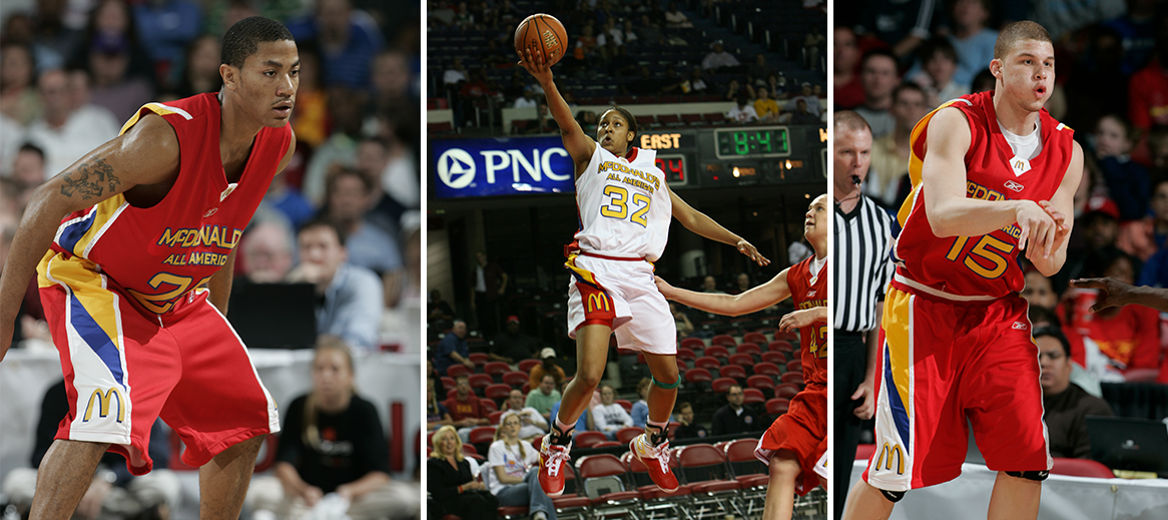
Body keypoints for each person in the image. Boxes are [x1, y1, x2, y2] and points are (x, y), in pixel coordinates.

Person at [0, 17, 298, 519]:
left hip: (173, 296)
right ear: (229, 76)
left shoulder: (278, 144)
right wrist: (5, 314)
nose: (286, 86)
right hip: (96, 280)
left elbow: (223, 231)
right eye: (270, 72)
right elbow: (47, 197)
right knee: (101, 417)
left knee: (243, 421)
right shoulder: (165, 138)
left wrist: (216, 324)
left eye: (294, 71)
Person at [843, 21, 1085, 520]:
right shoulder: (956, 121)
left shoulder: (1067, 151)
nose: (1041, 74)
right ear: (997, 68)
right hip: (924, 305)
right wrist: (1017, 208)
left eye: (1048, 64)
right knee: (895, 473)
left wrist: (1052, 238)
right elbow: (942, 215)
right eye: (1027, 62)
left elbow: (1050, 263)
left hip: (996, 314)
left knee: (1027, 459)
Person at [519, 42, 770, 496]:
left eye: (615, 124)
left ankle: (653, 442)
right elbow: (567, 123)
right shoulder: (590, 158)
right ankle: (556, 442)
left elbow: (690, 217)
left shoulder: (653, 173)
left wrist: (735, 238)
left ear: (632, 135)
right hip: (595, 269)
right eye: (603, 124)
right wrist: (548, 82)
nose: (606, 129)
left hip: (639, 273)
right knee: (590, 374)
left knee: (669, 375)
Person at [657, 194, 829, 520]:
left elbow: (864, 314)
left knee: (830, 475)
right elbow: (735, 305)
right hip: (814, 391)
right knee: (782, 462)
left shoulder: (847, 265)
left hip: (842, 385)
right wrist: (672, 292)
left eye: (819, 208)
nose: (810, 212)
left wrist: (819, 313)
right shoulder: (796, 274)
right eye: (808, 208)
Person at [249, 338, 418, 519]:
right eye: (319, 369)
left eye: (334, 369)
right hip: (307, 498)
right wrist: (304, 490)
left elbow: (380, 474)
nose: (326, 376)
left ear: (350, 375)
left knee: (406, 498)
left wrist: (349, 492)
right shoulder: (299, 406)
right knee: (257, 492)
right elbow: (284, 465)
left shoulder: (365, 410)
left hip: (352, 499)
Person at [832, 111, 891, 519]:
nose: (858, 163)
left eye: (865, 153)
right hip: (816, 343)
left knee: (841, 466)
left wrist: (872, 380)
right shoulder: (815, 214)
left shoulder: (882, 224)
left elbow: (882, 308)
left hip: (854, 350)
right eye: (847, 152)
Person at [288, 218, 384, 351]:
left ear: (342, 253)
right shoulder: (295, 282)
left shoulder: (363, 283)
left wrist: (308, 341)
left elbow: (359, 341)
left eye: (323, 246)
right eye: (306, 247)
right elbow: (276, 338)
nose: (314, 255)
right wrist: (290, 289)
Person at [1035, 326, 1114, 459]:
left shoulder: (1092, 409)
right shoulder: (1009, 405)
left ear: (1069, 364)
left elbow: (1090, 468)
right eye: (1036, 356)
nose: (1044, 363)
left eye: (1053, 356)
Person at [487, 412, 556, 520]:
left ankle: (539, 513)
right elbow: (503, 478)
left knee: (537, 475)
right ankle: (539, 512)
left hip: (525, 487)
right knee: (540, 487)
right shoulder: (496, 447)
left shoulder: (525, 445)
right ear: (504, 428)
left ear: (520, 426)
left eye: (515, 423)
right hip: (504, 492)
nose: (512, 426)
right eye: (509, 424)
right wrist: (529, 480)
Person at [428, 425, 498, 520]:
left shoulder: (464, 462)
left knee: (491, 498)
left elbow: (469, 483)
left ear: (456, 442)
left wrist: (477, 486)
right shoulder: (433, 463)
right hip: (446, 501)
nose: (449, 442)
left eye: (452, 438)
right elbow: (438, 493)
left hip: (466, 497)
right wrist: (464, 487)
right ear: (439, 443)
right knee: (476, 501)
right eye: (444, 439)